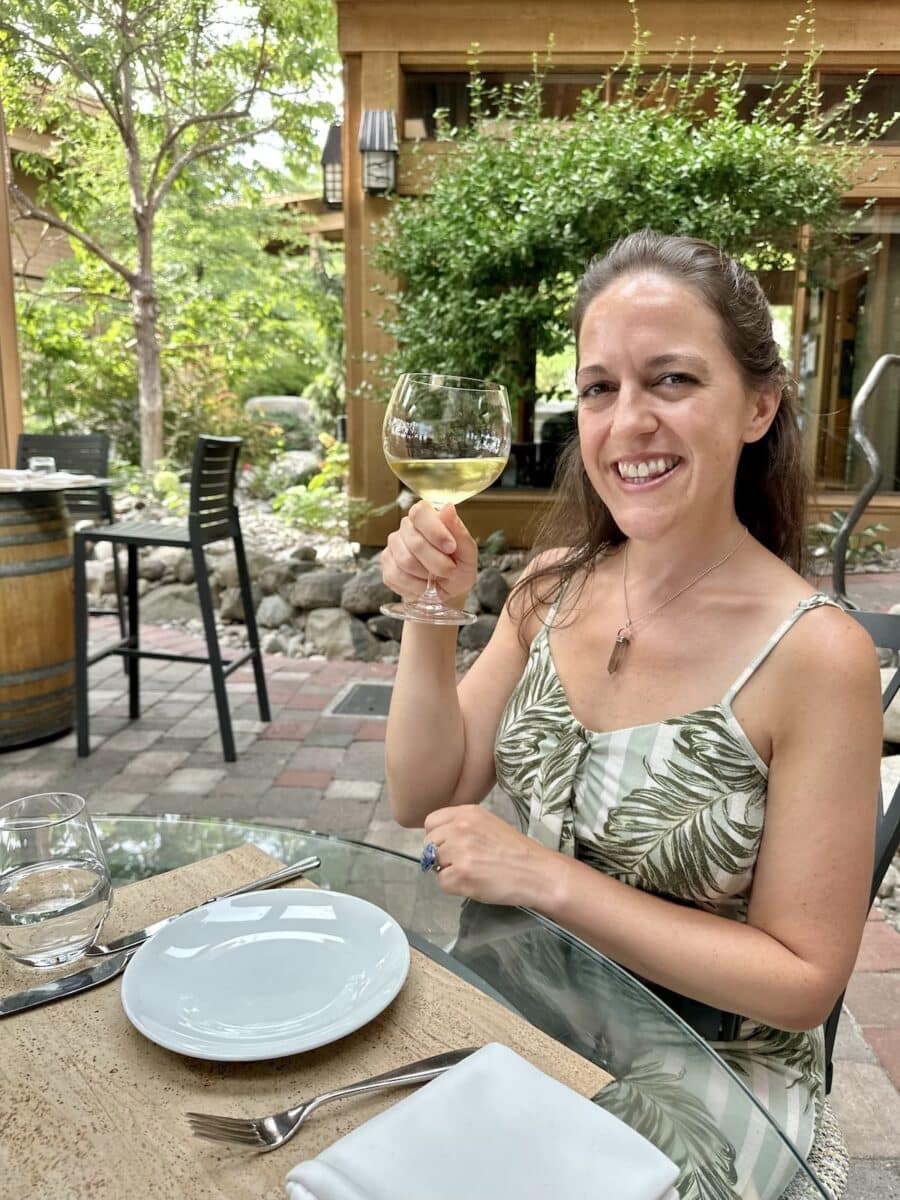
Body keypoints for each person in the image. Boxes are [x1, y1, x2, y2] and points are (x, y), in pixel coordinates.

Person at [379, 231, 882, 1199]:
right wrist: (430, 615)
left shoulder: (816, 655)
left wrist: (545, 879)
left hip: (709, 1071)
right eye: (601, 388)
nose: (627, 423)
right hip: (520, 1012)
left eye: (673, 381)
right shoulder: (552, 586)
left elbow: (803, 977)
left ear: (759, 405)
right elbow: (421, 791)